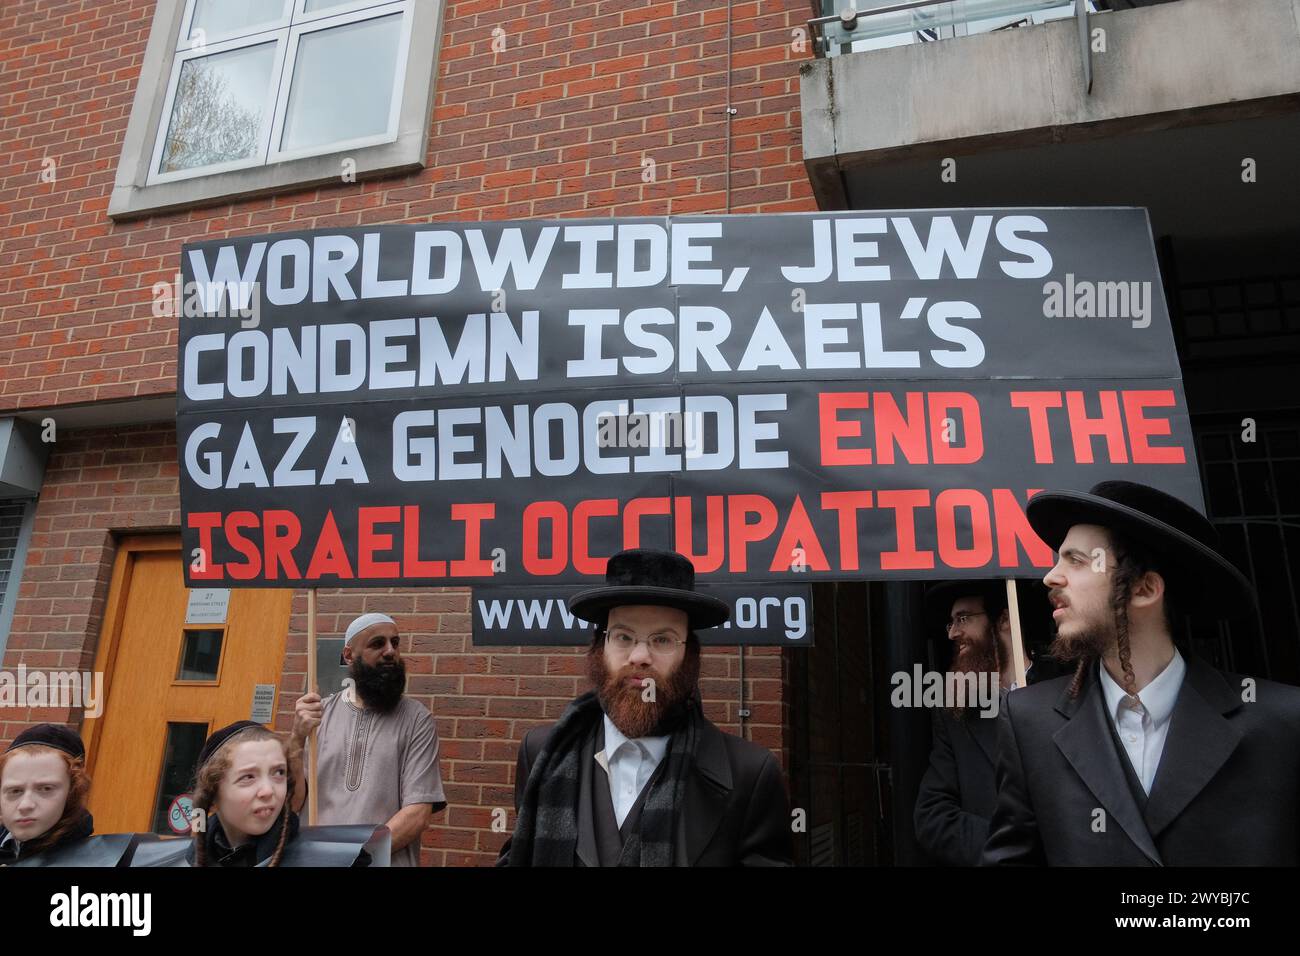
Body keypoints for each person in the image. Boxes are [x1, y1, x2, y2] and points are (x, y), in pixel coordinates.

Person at [982, 480, 1300, 865]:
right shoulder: (1029, 721)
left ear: (1145, 589)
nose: (1050, 577)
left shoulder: (1283, 721)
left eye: (1077, 560)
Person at [498, 548, 793, 866]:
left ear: (688, 656)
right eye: (623, 636)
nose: (639, 656)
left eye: (663, 640)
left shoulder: (750, 774)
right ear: (601, 647)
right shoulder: (541, 752)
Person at [292, 613, 446, 867]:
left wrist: (355, 858)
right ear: (349, 655)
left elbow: (418, 814)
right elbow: (294, 802)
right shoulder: (319, 715)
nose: (390, 652)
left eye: (395, 643)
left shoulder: (417, 719)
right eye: (377, 643)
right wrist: (297, 737)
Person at [914, 580, 1020, 866]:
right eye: (951, 622)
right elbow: (932, 817)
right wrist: (1014, 848)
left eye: (963, 619)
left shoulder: (1070, 693)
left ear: (1005, 620)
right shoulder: (955, 716)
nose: (952, 633)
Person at [0, 724, 100, 865]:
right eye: (15, 791)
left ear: (73, 793)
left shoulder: (101, 861)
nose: (25, 805)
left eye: (45, 789)